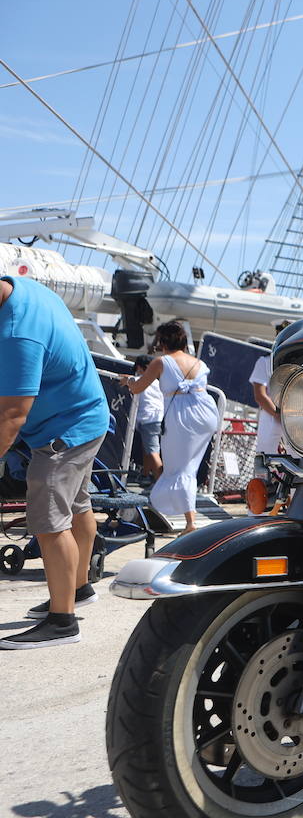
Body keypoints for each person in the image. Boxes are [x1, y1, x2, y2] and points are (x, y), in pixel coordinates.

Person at [0, 274, 109, 649]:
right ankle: (77, 588)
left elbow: (11, 417)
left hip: (63, 432)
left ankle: (62, 622)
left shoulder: (17, 334)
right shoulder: (23, 288)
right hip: (88, 414)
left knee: (48, 520)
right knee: (78, 506)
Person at [122, 321, 221, 535]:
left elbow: (138, 387)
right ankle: (183, 513)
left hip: (183, 416)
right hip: (206, 412)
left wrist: (128, 381)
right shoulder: (198, 362)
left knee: (180, 468)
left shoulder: (161, 362)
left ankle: (189, 522)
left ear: (162, 341)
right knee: (187, 467)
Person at [132, 353, 164, 480]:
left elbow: (130, 381)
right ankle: (145, 474)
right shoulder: (157, 382)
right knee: (148, 448)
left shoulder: (139, 379)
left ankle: (161, 483)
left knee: (152, 451)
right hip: (158, 418)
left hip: (148, 419)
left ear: (140, 367)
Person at [248, 349, 282, 457]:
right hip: (272, 414)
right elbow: (260, 396)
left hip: (295, 416)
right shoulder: (265, 361)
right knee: (265, 458)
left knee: (299, 459)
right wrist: (277, 414)